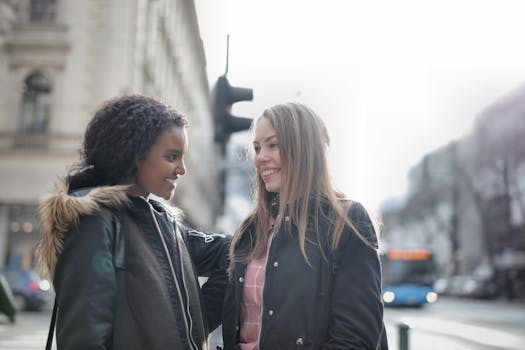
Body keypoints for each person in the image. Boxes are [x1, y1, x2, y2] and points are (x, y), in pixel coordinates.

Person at [36, 95, 229, 350]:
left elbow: (233, 254)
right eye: (172, 156)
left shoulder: (165, 225)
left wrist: (190, 329)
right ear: (135, 154)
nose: (182, 169)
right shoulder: (93, 220)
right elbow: (84, 339)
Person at [222, 102, 388, 350]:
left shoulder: (346, 221)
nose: (260, 158)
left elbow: (355, 338)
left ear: (303, 149)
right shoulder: (251, 229)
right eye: (257, 148)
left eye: (273, 144)